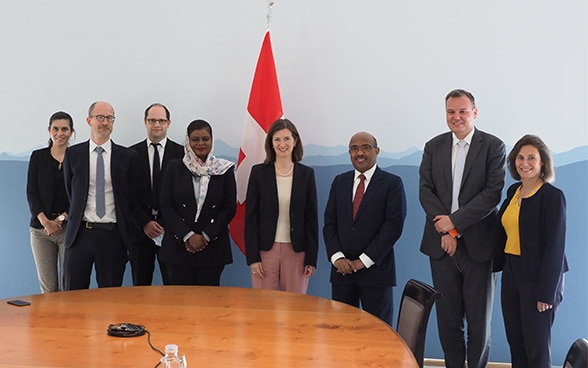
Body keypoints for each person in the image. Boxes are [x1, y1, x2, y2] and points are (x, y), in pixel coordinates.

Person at [419, 89, 505, 368]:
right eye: (451, 112)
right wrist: (446, 231)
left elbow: (492, 195)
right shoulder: (433, 147)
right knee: (448, 319)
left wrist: (454, 225)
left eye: (462, 111)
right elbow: (426, 192)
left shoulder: (493, 146)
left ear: (474, 113)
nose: (456, 117)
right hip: (441, 247)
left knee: (479, 323)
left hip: (478, 247)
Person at [496, 135, 568, 368]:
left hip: (539, 280)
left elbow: (555, 248)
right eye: (520, 157)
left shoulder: (552, 196)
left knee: (536, 350)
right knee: (516, 344)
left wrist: (546, 293)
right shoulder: (513, 191)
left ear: (543, 163)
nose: (524, 163)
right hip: (512, 274)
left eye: (531, 158)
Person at [323, 131, 406, 325]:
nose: (360, 153)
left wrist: (363, 261)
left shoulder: (392, 183)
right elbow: (329, 223)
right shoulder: (339, 182)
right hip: (341, 273)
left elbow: (393, 227)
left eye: (366, 147)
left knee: (379, 332)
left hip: (376, 273)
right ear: (349, 152)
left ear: (376, 151)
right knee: (342, 332)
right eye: (354, 148)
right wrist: (337, 258)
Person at [62, 101, 142, 290]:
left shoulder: (127, 157)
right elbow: (70, 191)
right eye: (100, 117)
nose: (105, 122)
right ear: (89, 120)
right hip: (80, 235)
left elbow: (133, 197)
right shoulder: (73, 154)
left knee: (109, 297)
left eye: (109, 118)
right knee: (73, 294)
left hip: (113, 236)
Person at [245, 119, 318, 293]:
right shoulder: (258, 173)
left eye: (287, 139)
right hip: (265, 252)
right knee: (264, 307)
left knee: (294, 308)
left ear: (295, 141)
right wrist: (253, 258)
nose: (282, 144)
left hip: (297, 252)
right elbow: (251, 219)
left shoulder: (306, 174)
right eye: (277, 139)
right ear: (270, 143)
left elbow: (311, 219)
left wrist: (311, 259)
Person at [158, 119, 236, 285]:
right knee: (179, 304)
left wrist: (205, 236)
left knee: (208, 305)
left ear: (211, 140)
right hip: (178, 248)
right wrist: (188, 236)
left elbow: (229, 208)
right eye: (195, 139)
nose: (200, 143)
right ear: (188, 141)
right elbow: (166, 206)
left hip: (212, 248)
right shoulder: (174, 168)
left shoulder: (224, 169)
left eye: (205, 139)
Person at [129, 103, 184, 286]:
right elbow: (127, 195)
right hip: (139, 232)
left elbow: (183, 196)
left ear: (169, 123)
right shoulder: (130, 154)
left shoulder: (182, 154)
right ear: (145, 122)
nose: (157, 124)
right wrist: (144, 223)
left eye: (161, 120)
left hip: (170, 232)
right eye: (152, 120)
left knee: (172, 286)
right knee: (140, 286)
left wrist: (164, 223)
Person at [26, 111, 75, 293]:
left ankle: (67, 322)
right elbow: (32, 192)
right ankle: (49, 322)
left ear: (71, 132)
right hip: (40, 231)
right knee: (48, 287)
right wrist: (45, 221)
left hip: (67, 229)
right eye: (55, 128)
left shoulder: (77, 157)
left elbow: (80, 194)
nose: (59, 133)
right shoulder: (38, 157)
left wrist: (61, 219)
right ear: (49, 130)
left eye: (64, 129)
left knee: (67, 285)